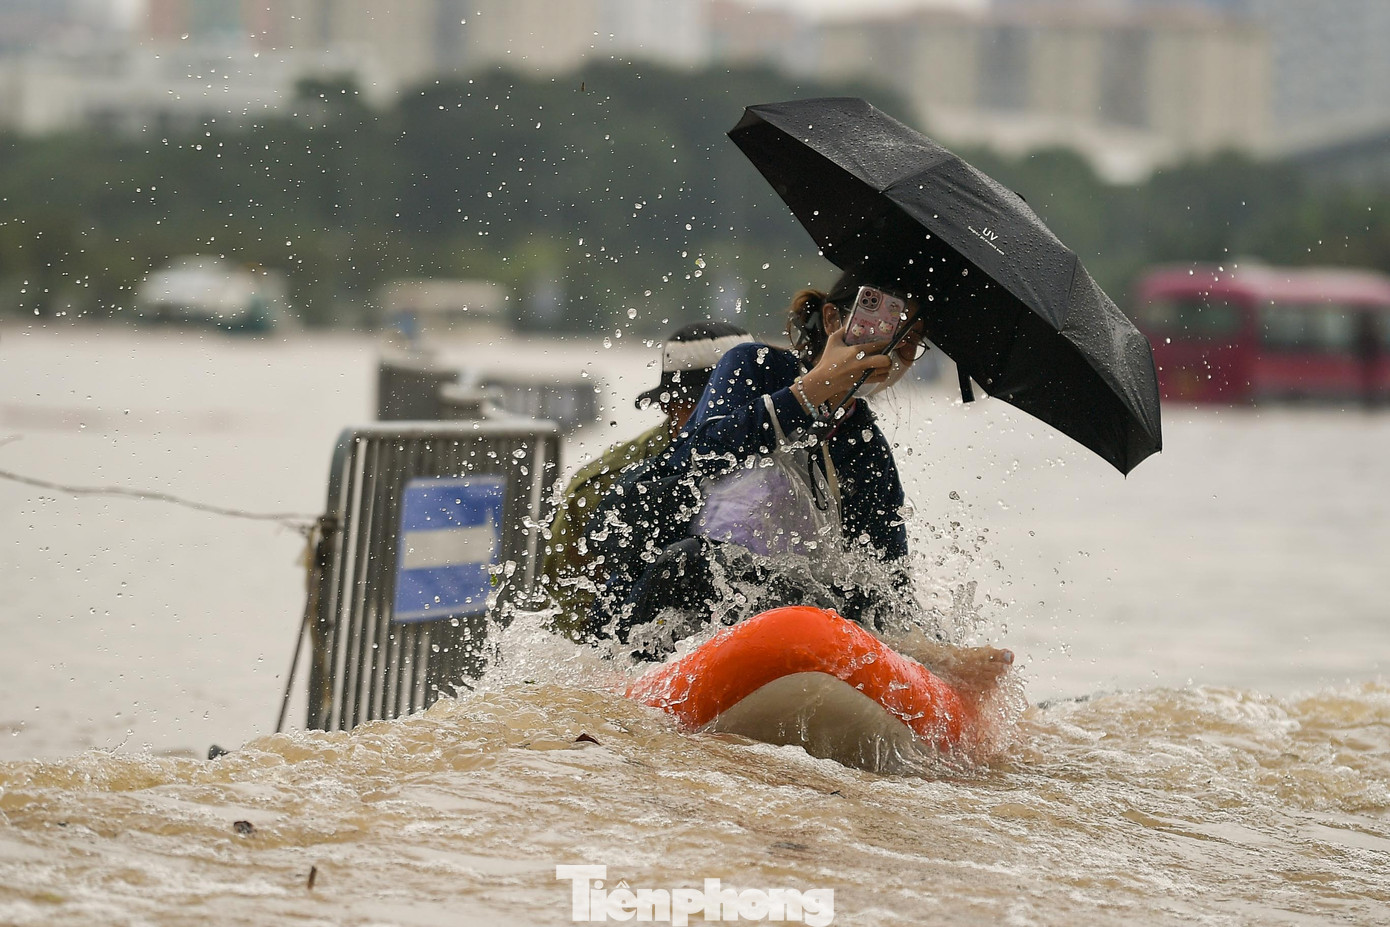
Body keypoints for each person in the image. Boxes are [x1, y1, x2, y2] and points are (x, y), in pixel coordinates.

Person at [585, 273, 937, 655]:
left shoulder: (868, 447)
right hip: (681, 576)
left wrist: (929, 652)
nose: (893, 354)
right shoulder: (756, 365)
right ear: (835, 321)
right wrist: (812, 389)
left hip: (782, 604)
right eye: (885, 330)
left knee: (838, 603)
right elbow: (702, 453)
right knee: (689, 562)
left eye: (909, 345)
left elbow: (889, 581)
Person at [543, 321, 752, 634]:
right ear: (669, 405)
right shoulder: (605, 485)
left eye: (744, 403)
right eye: (714, 405)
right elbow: (571, 604)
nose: (731, 419)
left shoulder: (791, 468)